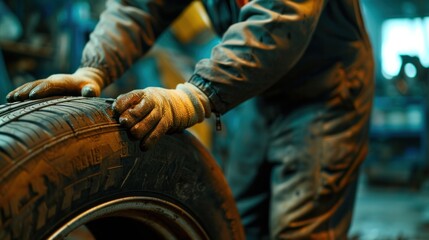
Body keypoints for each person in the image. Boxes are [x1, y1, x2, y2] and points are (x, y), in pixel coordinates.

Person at [6, 0, 374, 239]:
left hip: (328, 92)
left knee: (301, 227)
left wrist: (195, 95)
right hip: (262, 92)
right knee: (239, 220)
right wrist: (94, 67)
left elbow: (280, 19)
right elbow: (140, 7)